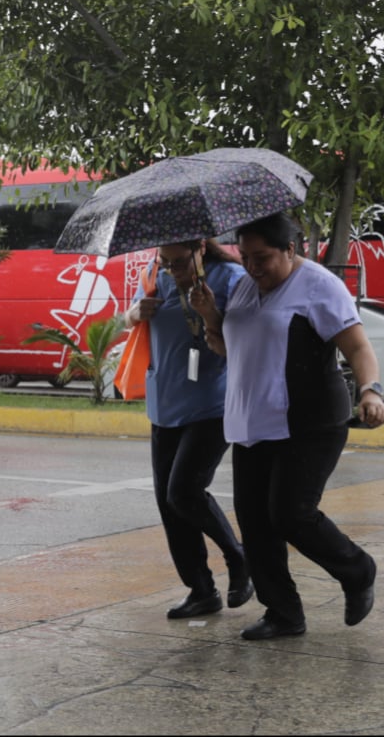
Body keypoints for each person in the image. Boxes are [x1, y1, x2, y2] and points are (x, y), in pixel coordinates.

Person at [188, 213, 384, 641]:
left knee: (291, 514)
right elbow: (230, 346)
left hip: (309, 418)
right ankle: (283, 613)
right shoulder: (245, 287)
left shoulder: (318, 285)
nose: (253, 267)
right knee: (256, 522)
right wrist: (209, 316)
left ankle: (358, 570)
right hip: (253, 419)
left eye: (262, 257)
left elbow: (357, 344)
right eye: (245, 257)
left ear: (290, 250)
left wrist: (371, 390)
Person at [127, 238, 253, 620]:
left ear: (200, 248)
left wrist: (210, 312)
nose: (171, 270)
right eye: (165, 261)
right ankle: (201, 590)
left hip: (211, 406)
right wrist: (135, 313)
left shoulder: (230, 278)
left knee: (184, 491)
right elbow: (125, 320)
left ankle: (239, 558)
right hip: (164, 404)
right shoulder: (154, 275)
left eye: (179, 262)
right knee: (169, 504)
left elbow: (244, 345)